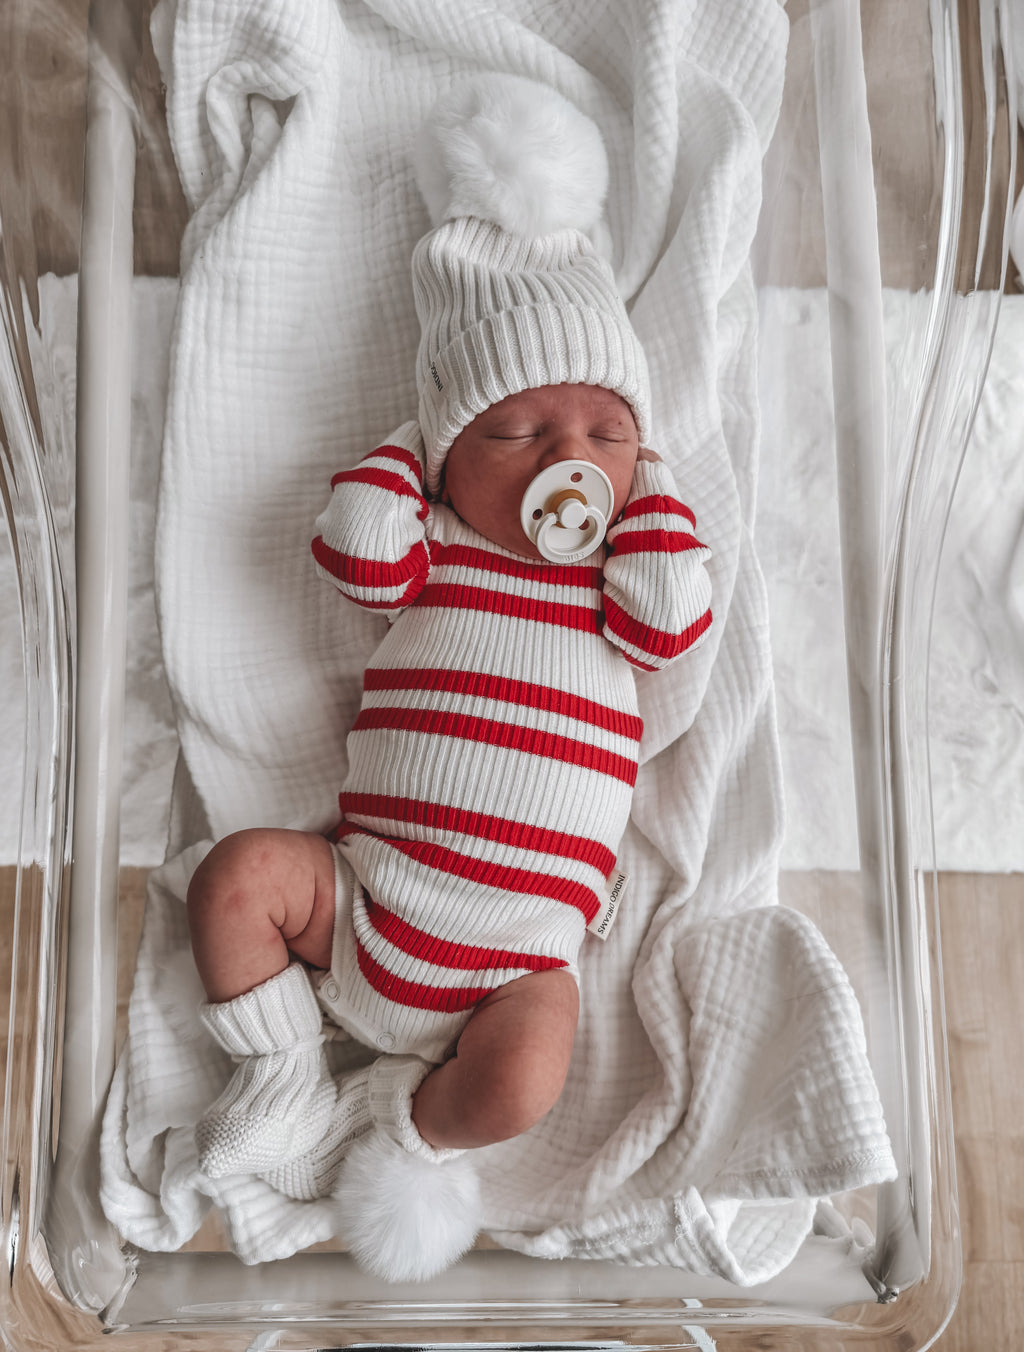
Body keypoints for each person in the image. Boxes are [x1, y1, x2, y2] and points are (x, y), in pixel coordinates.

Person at [185, 73, 712, 1283]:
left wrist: (657, 494)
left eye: (607, 430)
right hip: (358, 901)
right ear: (446, 450)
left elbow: (679, 630)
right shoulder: (439, 540)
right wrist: (402, 465)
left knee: (526, 1076)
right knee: (238, 876)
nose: (569, 461)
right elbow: (355, 557)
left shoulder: (623, 575)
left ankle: (403, 1129)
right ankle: (280, 1072)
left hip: (516, 966)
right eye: (518, 433)